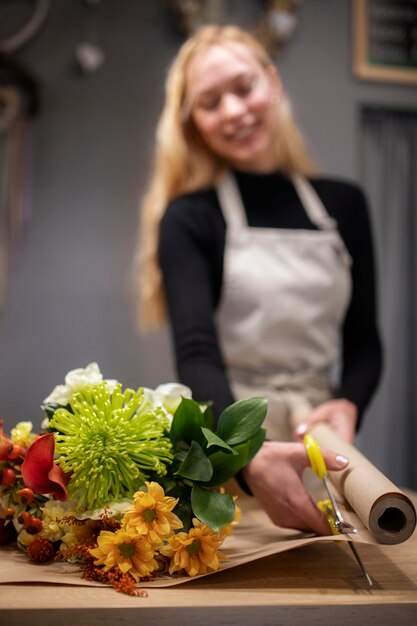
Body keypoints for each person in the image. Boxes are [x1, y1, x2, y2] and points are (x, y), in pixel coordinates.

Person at [137, 25, 382, 535]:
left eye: (243, 88)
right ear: (194, 124)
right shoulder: (189, 217)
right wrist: (247, 457)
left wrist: (349, 401)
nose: (232, 111)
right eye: (209, 102)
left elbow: (364, 343)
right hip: (223, 456)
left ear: (273, 83)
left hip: (318, 445)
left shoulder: (345, 205)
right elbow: (197, 353)